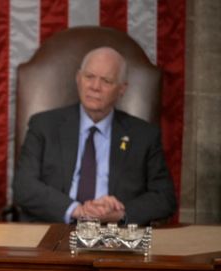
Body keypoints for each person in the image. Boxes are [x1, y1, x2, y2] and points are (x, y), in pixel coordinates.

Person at [13, 47, 176, 226]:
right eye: (89, 77)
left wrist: (121, 214)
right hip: (54, 229)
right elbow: (23, 186)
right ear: (78, 78)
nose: (95, 87)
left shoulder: (143, 135)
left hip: (114, 238)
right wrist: (77, 210)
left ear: (122, 89)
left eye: (106, 80)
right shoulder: (44, 125)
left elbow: (164, 198)